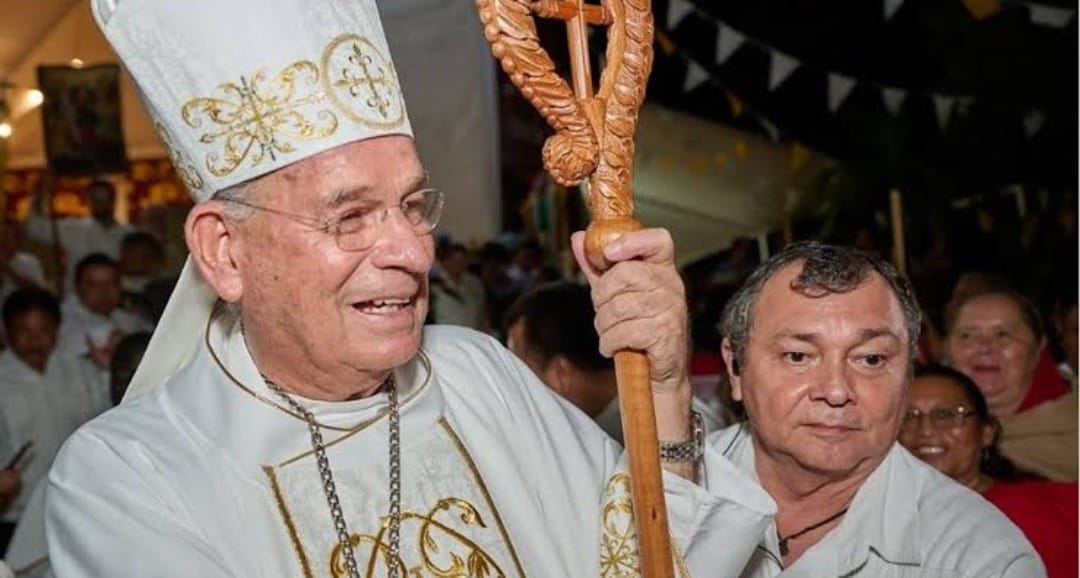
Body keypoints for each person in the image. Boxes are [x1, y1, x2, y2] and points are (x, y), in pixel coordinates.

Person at [45, 2, 776, 576]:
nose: (414, 250)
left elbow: (646, 561)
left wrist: (663, 392)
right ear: (224, 250)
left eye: (413, 205)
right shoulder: (127, 476)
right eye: (351, 216)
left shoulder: (478, 372)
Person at [715, 241, 1042, 576]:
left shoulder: (979, 559)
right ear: (735, 368)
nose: (836, 390)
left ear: (908, 374)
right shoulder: (682, 494)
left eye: (871, 359)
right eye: (798, 357)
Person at [898, 364, 1077, 578]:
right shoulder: (880, 521)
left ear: (987, 432)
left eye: (946, 415)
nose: (925, 430)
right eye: (907, 417)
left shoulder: (1061, 504)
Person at [506, 281, 728, 444]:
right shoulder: (660, 408)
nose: (512, 388)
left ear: (560, 374)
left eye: (519, 370)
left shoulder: (619, 438)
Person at [946, 288, 1077, 480]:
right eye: (967, 335)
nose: (984, 347)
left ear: (1038, 348)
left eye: (1003, 335)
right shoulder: (913, 429)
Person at [26, 179, 135, 293]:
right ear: (88, 201)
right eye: (96, 200)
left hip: (115, 297)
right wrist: (39, 196)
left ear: (114, 200)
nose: (102, 205)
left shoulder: (129, 233)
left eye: (106, 200)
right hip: (77, 299)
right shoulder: (73, 228)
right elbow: (35, 228)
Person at [56, 253, 153, 367]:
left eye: (112, 283)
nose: (104, 291)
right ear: (78, 288)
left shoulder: (130, 318)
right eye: (94, 285)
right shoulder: (61, 318)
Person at [429, 243, 487, 330]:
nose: (459, 264)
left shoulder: (474, 283)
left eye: (463, 260)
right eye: (455, 261)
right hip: (445, 332)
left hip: (472, 332)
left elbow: (482, 310)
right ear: (445, 262)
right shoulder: (434, 285)